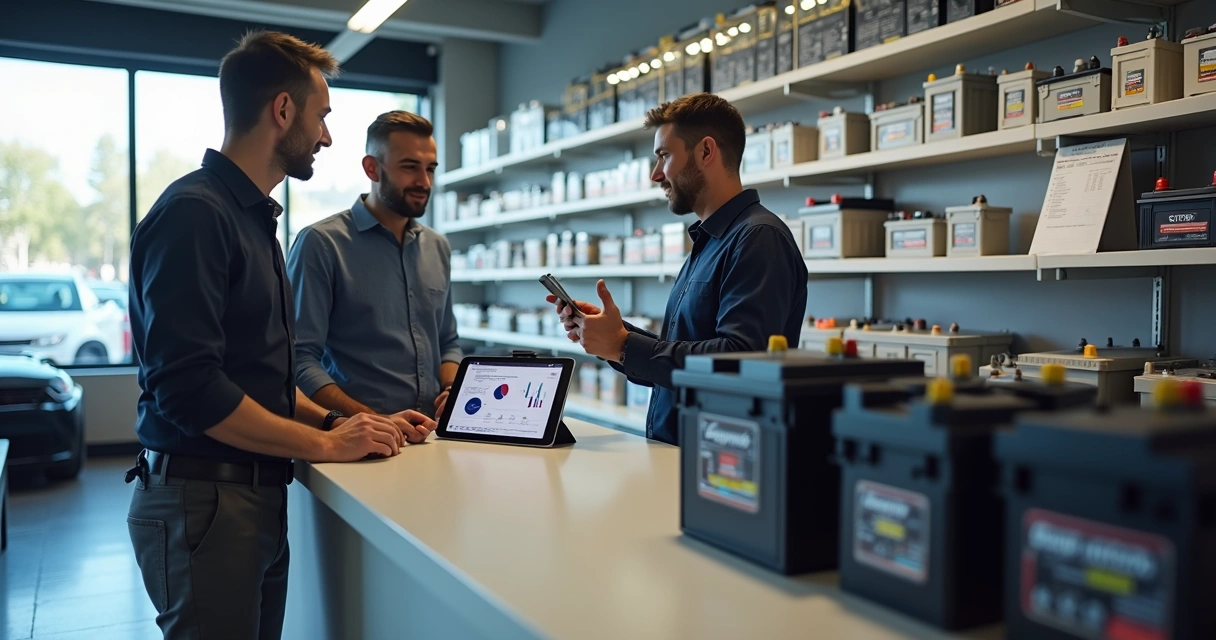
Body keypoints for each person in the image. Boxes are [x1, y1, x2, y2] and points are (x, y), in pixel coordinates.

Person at [125, 31, 433, 640]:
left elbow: (257, 377)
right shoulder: (195, 212)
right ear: (283, 110)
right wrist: (323, 446)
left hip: (251, 499)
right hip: (205, 502)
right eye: (321, 116)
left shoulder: (252, 217)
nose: (326, 136)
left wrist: (337, 424)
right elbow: (189, 388)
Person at [547, 93, 808, 446]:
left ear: (705, 151)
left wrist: (626, 346)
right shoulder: (711, 241)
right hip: (682, 455)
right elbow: (686, 352)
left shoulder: (758, 238)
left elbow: (739, 359)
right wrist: (614, 337)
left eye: (664, 156)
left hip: (723, 460)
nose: (656, 175)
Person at [287, 111, 461, 423]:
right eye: (409, 167)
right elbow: (299, 360)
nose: (424, 182)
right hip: (354, 442)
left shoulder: (438, 247)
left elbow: (448, 342)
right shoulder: (321, 244)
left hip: (432, 438)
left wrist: (453, 387)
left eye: (430, 169)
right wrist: (373, 420)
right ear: (372, 168)